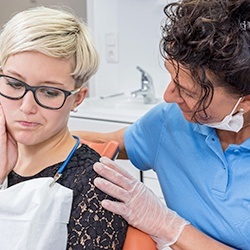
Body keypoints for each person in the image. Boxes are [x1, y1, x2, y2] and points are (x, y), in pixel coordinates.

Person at [73, 0, 250, 249]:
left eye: (188, 91)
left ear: (246, 101)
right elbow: (108, 142)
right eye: (171, 76)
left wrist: (167, 225)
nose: (168, 96)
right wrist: (35, 135)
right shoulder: (172, 120)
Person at [0, 6, 128, 249]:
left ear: (77, 99)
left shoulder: (97, 187)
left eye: (49, 92)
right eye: (15, 84)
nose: (27, 106)